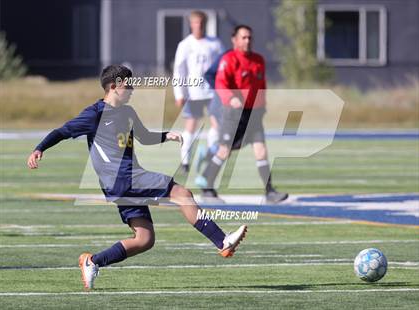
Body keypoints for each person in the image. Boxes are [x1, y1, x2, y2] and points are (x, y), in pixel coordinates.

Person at [27, 65, 247, 289]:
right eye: (127, 84)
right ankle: (222, 241)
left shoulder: (128, 112)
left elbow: (143, 136)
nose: (132, 88)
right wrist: (39, 148)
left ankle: (92, 261)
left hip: (127, 181)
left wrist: (166, 136)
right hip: (123, 179)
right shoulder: (94, 114)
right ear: (113, 87)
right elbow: (62, 131)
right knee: (182, 193)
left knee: (144, 239)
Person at [196, 25, 289, 204]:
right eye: (243, 37)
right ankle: (207, 187)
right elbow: (221, 83)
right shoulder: (229, 59)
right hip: (233, 113)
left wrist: (262, 106)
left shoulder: (258, 60)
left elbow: (261, 86)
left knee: (261, 150)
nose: (247, 41)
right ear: (235, 40)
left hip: (253, 114)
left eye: (249, 38)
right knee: (224, 150)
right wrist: (231, 99)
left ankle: (270, 192)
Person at [173, 10, 224, 175]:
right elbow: (179, 71)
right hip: (193, 92)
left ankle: (209, 157)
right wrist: (179, 94)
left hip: (212, 92)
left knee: (217, 125)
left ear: (205, 23)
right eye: (195, 22)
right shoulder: (185, 45)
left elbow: (224, 66)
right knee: (190, 126)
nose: (198, 25)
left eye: (201, 22)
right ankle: (185, 162)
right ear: (191, 24)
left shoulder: (215, 43)